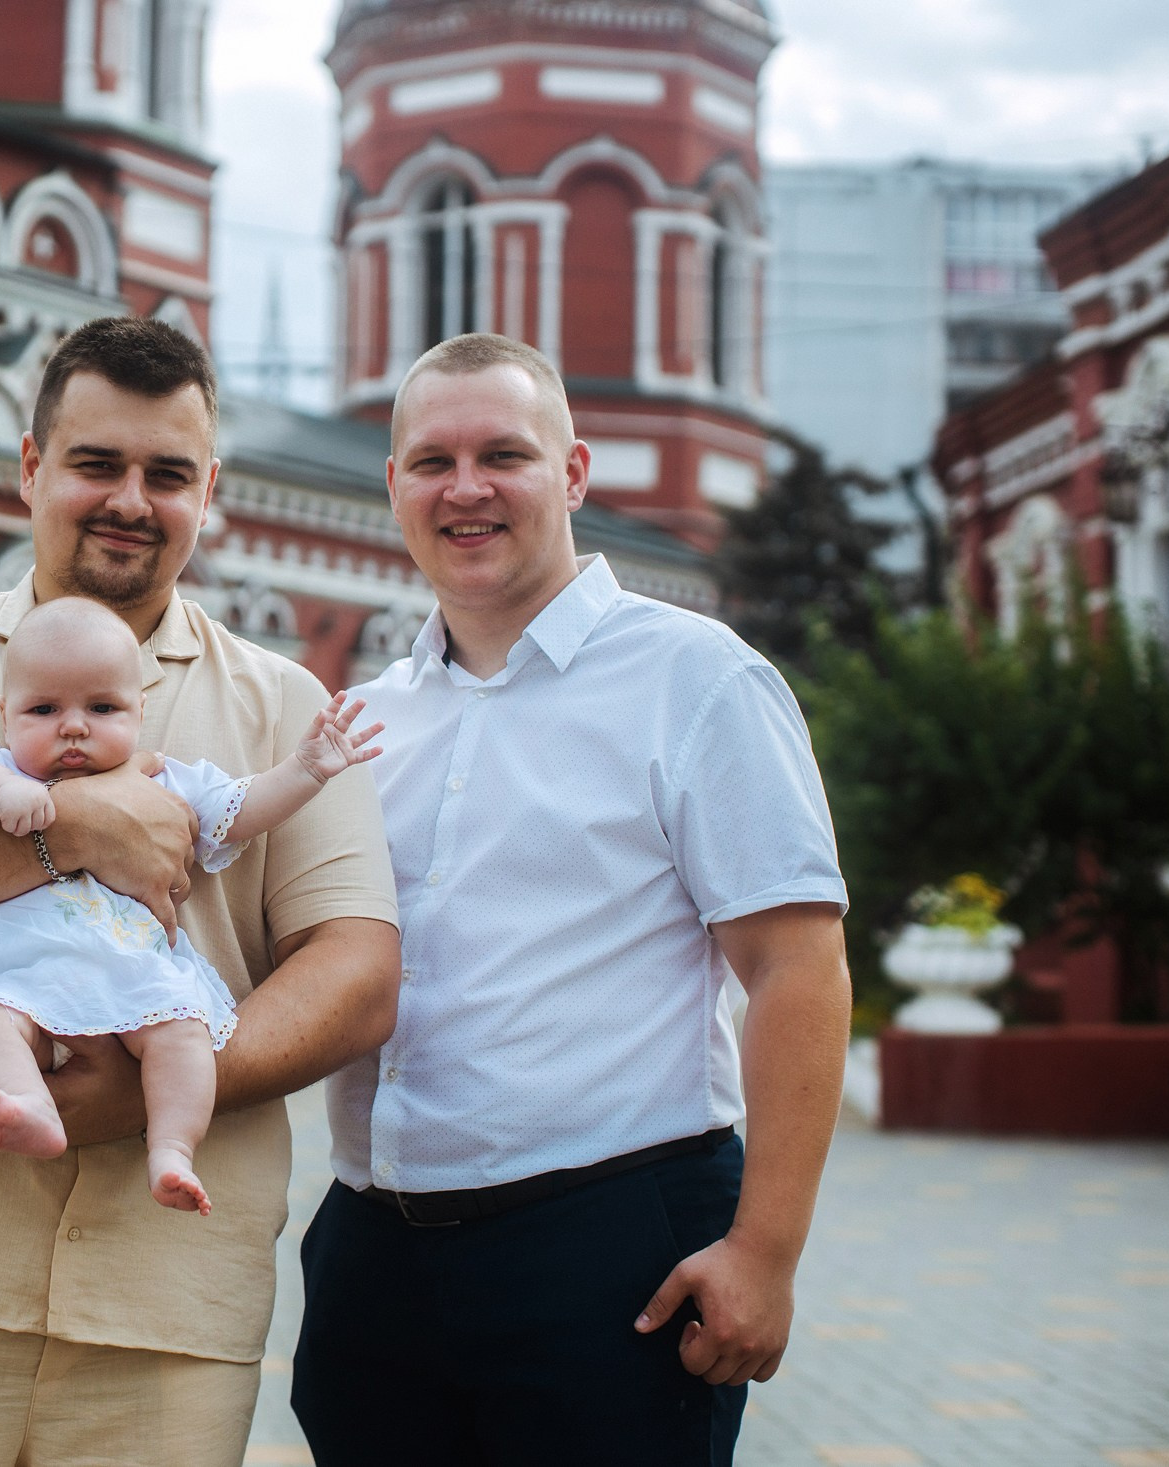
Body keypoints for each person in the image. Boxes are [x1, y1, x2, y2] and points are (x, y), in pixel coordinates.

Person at [0, 315, 401, 1467]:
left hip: (166, 1307)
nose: (130, 501)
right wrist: (75, 827)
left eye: (168, 475)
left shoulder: (284, 708)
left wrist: (151, 1090)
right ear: (29, 467)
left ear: (209, 491)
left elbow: (356, 972)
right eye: (96, 464)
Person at [291, 333, 852, 1466]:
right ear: (393, 485)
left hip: (610, 1248)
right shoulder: (362, 722)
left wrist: (766, 1251)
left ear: (574, 473)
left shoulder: (696, 679)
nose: (465, 488)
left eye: (503, 454)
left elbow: (797, 967)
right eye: (432, 461)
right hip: (375, 1255)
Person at [0, 594, 385, 1214]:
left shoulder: (162, 781)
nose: (73, 727)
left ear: (139, 710)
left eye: (102, 708)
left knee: (184, 1034)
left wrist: (305, 770)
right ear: (5, 714)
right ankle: (27, 1107)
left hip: (133, 973)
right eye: (43, 709)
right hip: (14, 972)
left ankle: (173, 1148)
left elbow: (239, 808)